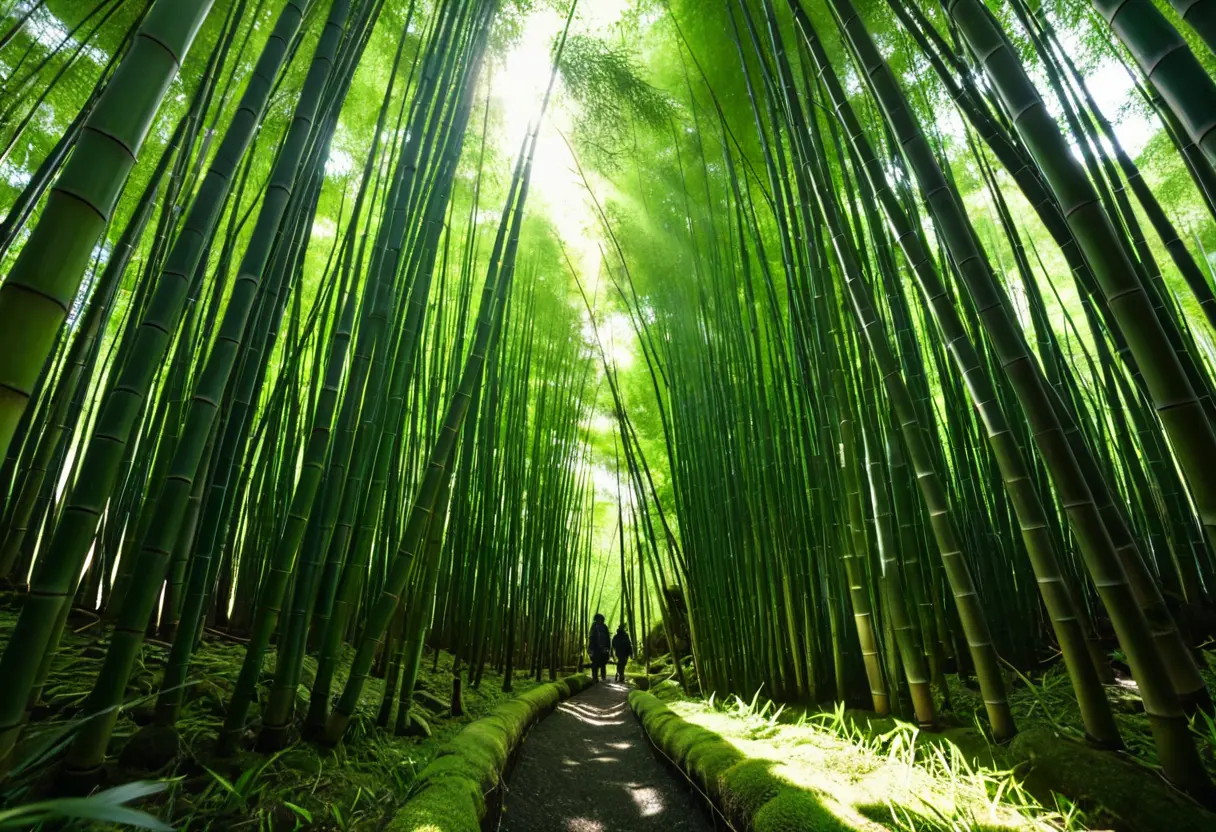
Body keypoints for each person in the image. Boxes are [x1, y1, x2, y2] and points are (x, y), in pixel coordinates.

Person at [588, 613, 611, 682]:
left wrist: (608, 647)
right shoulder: (594, 626)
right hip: (595, 648)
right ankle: (595, 677)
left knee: (603, 663)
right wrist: (590, 648)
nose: (599, 620)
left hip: (603, 648)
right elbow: (591, 638)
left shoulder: (604, 627)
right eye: (598, 619)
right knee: (595, 663)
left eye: (600, 619)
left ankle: (603, 677)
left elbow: (608, 638)